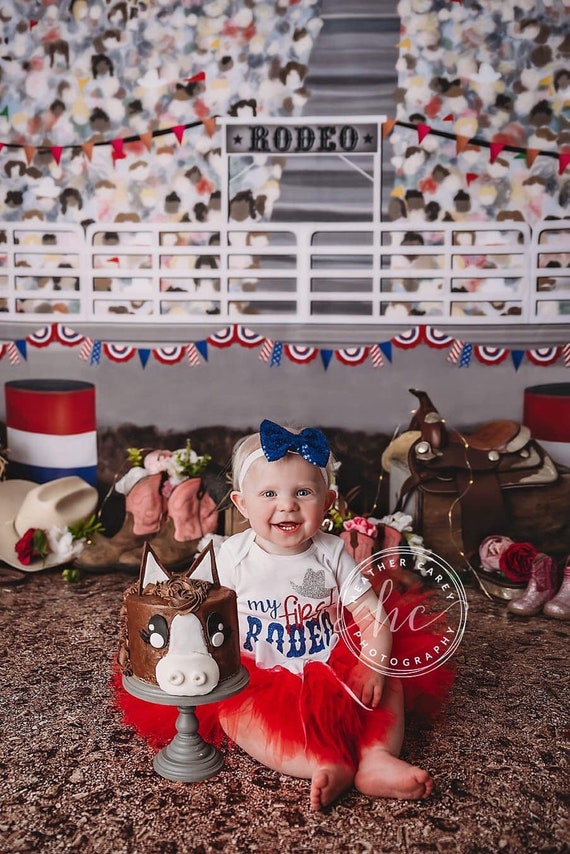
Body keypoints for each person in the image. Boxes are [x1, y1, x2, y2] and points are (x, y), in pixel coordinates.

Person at [114, 420, 454, 810]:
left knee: (388, 677)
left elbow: (371, 614)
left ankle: (376, 756)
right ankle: (321, 763)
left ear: (327, 503)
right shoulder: (230, 556)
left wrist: (372, 664)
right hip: (257, 674)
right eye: (270, 493)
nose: (287, 504)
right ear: (242, 504)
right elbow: (197, 609)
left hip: (332, 664)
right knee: (234, 713)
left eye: (303, 492)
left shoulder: (331, 552)